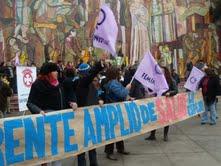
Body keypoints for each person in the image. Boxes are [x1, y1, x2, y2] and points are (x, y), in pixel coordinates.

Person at [27, 62, 77, 166]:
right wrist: (39, 111)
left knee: (57, 149)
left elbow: (66, 96)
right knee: (46, 149)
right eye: (54, 71)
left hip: (59, 122)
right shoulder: (38, 85)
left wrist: (71, 102)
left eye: (57, 71)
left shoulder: (59, 83)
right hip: (45, 122)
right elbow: (30, 103)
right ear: (48, 73)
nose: (57, 73)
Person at [75, 56, 106, 166]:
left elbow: (94, 97)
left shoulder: (90, 85)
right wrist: (99, 64)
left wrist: (100, 100)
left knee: (92, 145)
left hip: (91, 118)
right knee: (82, 147)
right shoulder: (82, 83)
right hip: (82, 119)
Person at [102, 67, 131, 161]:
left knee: (118, 129)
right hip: (113, 110)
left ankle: (120, 148)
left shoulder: (113, 82)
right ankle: (109, 152)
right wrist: (127, 88)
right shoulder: (113, 83)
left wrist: (128, 97)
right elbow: (121, 94)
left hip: (115, 109)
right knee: (112, 131)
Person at [145, 66, 178, 141]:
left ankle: (165, 135)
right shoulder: (157, 80)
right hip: (157, 101)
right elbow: (152, 89)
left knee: (166, 119)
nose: (160, 73)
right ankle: (152, 135)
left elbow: (176, 90)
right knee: (154, 118)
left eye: (161, 71)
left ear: (165, 72)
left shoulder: (171, 81)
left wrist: (169, 93)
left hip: (166, 102)